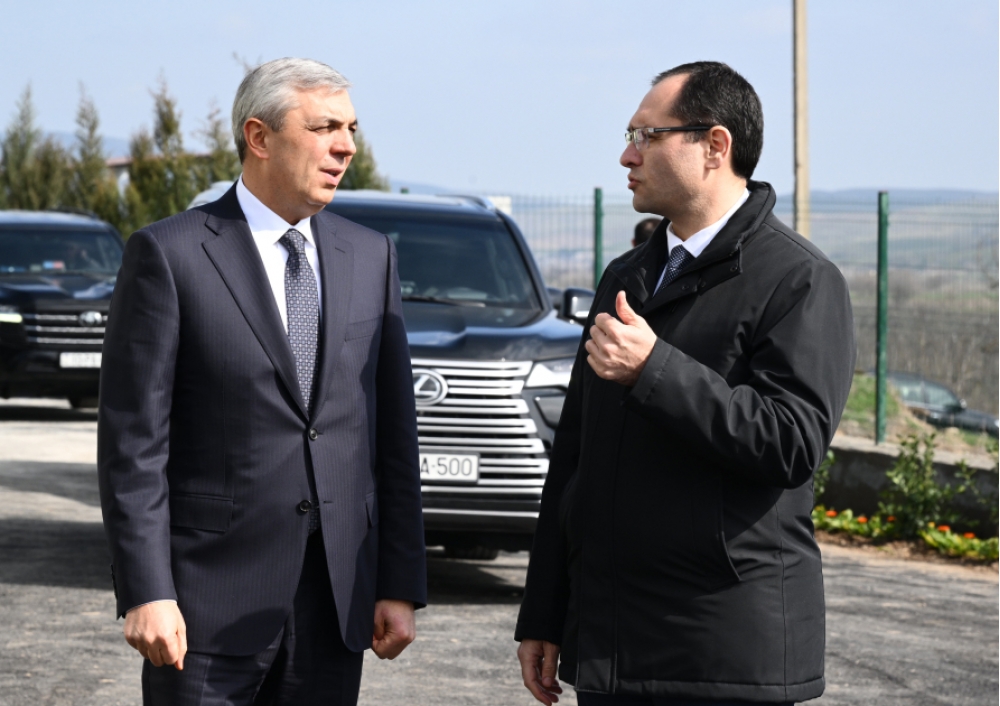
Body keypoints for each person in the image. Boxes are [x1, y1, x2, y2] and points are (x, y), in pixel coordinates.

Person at [515, 61, 855, 706]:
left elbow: (791, 442)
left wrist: (655, 370)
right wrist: (545, 611)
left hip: (723, 652)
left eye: (647, 136)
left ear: (714, 146)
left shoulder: (800, 280)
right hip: (613, 650)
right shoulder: (626, 277)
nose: (627, 155)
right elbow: (576, 459)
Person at [98, 58, 426, 705]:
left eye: (351, 129)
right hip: (203, 608)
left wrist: (399, 582)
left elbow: (393, 434)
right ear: (259, 137)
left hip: (335, 604)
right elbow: (134, 445)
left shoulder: (371, 255)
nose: (346, 147)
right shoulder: (170, 254)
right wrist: (147, 589)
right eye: (325, 127)